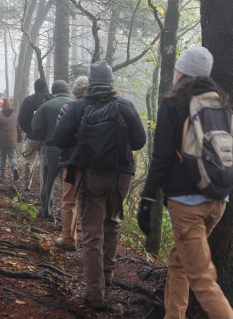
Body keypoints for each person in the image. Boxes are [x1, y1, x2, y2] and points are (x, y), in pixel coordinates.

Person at [138, 47, 233, 318]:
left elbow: (162, 157)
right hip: (218, 201)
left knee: (203, 280)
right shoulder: (221, 104)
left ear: (182, 72)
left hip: (186, 204)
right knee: (179, 261)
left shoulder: (173, 102)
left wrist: (147, 199)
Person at [54, 60, 146, 311]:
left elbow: (59, 138)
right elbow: (139, 140)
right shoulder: (125, 106)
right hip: (120, 177)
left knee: (92, 232)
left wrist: (82, 139)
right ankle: (109, 273)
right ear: (111, 83)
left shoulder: (78, 107)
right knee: (113, 222)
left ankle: (95, 294)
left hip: (90, 176)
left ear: (92, 83)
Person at [53, 76, 89, 251]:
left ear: (75, 92)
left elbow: (58, 134)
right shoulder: (98, 108)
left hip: (70, 161)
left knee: (69, 200)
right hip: (92, 162)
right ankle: (92, 243)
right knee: (92, 201)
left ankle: (68, 239)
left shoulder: (67, 108)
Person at [31, 80, 73, 221]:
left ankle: (46, 211)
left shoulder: (45, 106)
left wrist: (46, 136)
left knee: (48, 180)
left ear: (53, 92)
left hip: (51, 146)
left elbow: (35, 127)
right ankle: (67, 214)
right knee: (68, 182)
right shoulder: (75, 105)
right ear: (67, 90)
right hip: (71, 149)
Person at [18, 79, 50, 191]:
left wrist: (29, 130)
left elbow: (21, 118)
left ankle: (26, 185)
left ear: (35, 87)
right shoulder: (51, 100)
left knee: (28, 161)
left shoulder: (28, 100)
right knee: (44, 163)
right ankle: (44, 188)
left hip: (32, 136)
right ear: (45, 87)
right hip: (46, 137)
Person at [0, 97, 22, 180]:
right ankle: (14, 168)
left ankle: (3, 174)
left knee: (2, 157)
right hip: (12, 141)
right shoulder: (15, 117)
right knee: (12, 157)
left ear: (2, 107)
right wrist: (20, 139)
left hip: (2, 141)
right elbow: (19, 130)